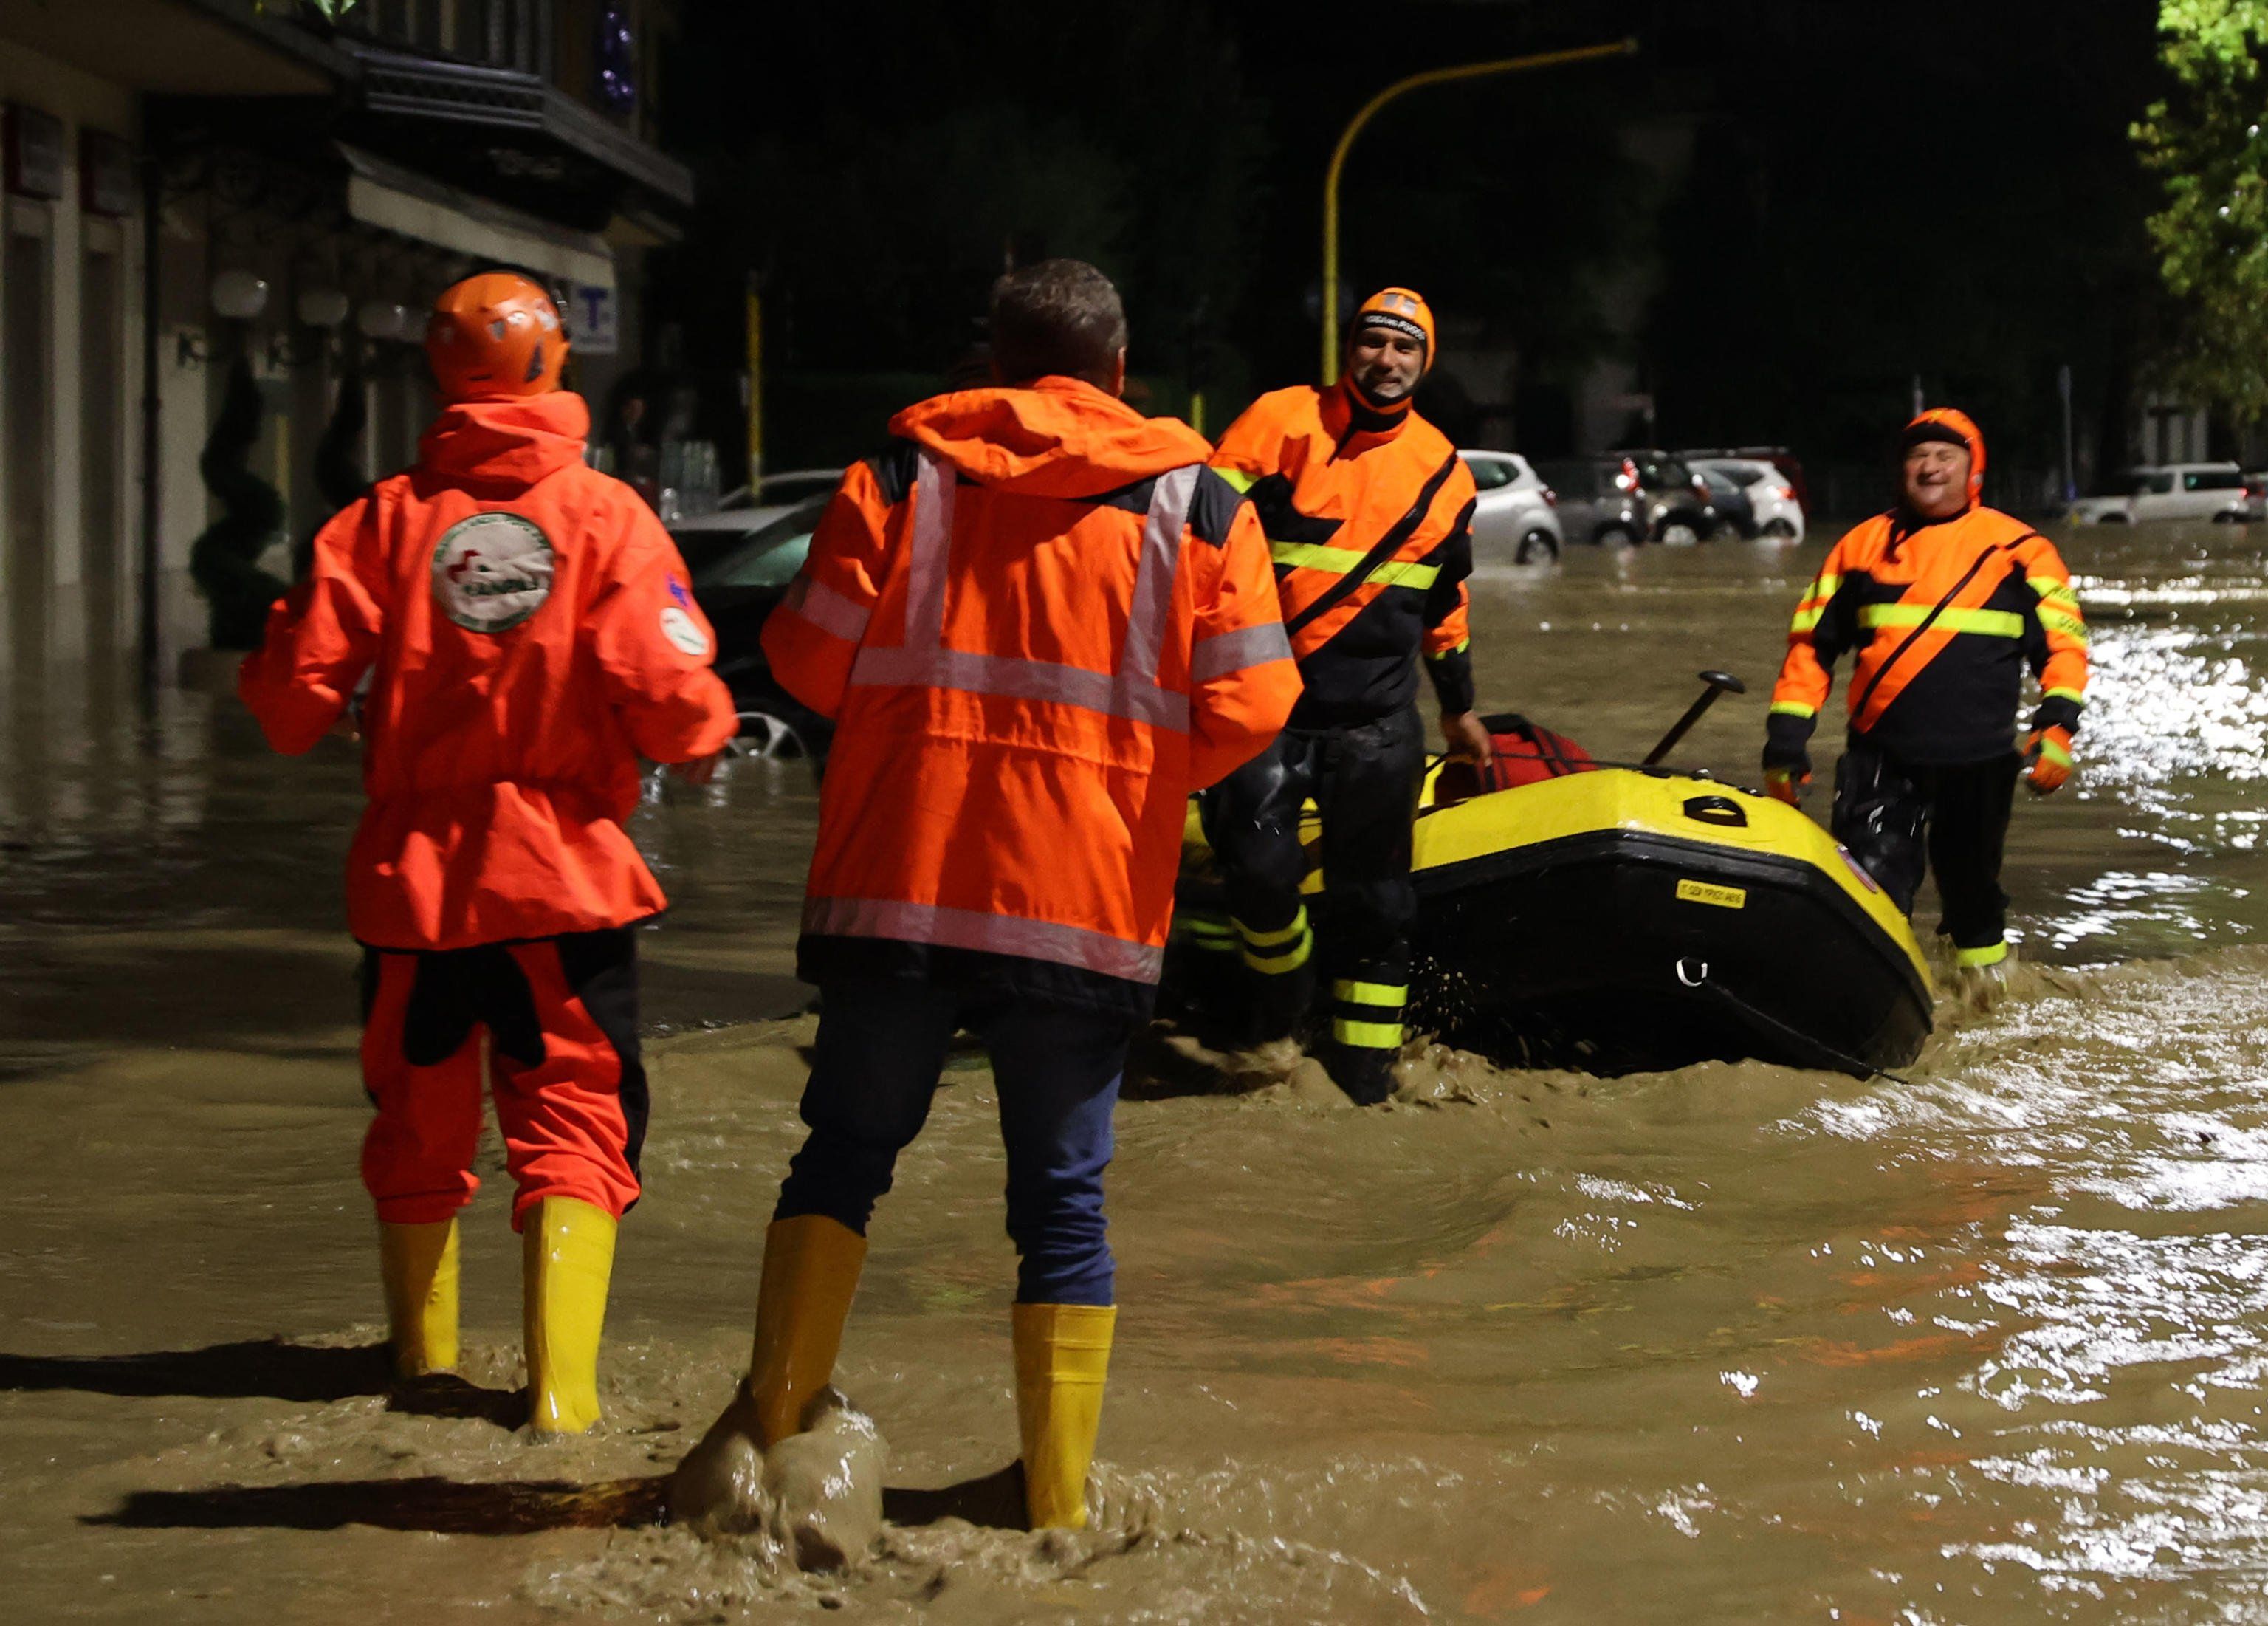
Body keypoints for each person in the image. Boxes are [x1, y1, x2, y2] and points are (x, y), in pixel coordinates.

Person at [671, 259, 1299, 1531]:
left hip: (896, 889)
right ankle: (1056, 1504)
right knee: (1062, 1203)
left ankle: (772, 1436)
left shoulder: (899, 478)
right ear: (1120, 372)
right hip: (1080, 903)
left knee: (841, 1159)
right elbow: (1251, 709)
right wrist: (1126, 775)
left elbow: (801, 658)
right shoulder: (1205, 506)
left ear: (997, 360)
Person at [238, 271, 738, 1434]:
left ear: (438, 372)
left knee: (416, 1124)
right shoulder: (606, 516)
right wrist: (704, 732)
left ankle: (419, 1374)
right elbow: (674, 700)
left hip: (412, 893)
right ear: (553, 365)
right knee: (573, 1126)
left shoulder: (378, 520)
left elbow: (286, 706)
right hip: (564, 884)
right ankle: (561, 1402)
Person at [1200, 287, 1491, 1103]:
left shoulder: (1443, 470)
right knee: (1257, 870)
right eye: (1373, 342)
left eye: (1405, 348)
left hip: (1377, 721)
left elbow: (1446, 603)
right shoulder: (1277, 422)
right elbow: (1200, 547)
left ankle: (1364, 1085)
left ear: (1424, 362)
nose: (1386, 360)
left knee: (1378, 909)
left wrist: (1458, 705)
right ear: (1348, 348)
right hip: (1268, 704)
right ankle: (1283, 1008)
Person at [1762, 408, 2088, 995]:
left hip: (1980, 763)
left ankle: (1984, 1007)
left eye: (1945, 456)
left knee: (1974, 902)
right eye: (1918, 456)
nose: (1930, 467)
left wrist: (2056, 730)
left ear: (1974, 470)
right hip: (1882, 758)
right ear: (1901, 470)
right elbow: (1811, 648)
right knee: (1871, 886)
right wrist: (1786, 742)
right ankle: (1867, 1005)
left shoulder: (2022, 550)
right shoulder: (1860, 546)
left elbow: (2064, 651)